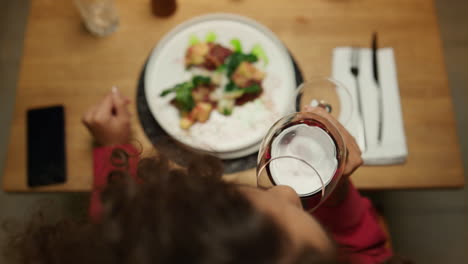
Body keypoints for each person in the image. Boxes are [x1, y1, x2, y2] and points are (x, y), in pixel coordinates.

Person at [5, 89, 407, 264]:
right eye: (304, 214)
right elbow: (373, 256)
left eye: (238, 200)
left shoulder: (126, 245)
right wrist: (336, 198)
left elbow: (117, 233)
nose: (287, 191)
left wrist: (114, 153)